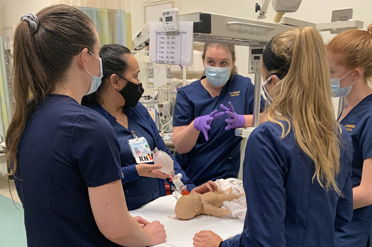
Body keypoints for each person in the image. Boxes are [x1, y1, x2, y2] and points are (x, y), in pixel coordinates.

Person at [6, 5, 166, 246]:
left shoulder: (24, 117)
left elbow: (66, 205)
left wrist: (128, 222)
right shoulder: (87, 126)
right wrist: (147, 235)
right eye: (98, 53)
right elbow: (116, 228)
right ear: (84, 58)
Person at [192, 27, 354, 247]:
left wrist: (222, 245)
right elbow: (342, 218)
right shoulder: (339, 135)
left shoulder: (267, 139)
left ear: (274, 83)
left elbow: (264, 240)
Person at [82, 44, 218, 210]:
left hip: (156, 207)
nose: (139, 83)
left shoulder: (137, 110)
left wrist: (188, 189)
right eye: (136, 76)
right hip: (121, 213)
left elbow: (165, 155)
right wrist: (135, 171)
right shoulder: (92, 122)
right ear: (115, 81)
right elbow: (96, 178)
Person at [326, 19, 372, 247]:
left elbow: (370, 192)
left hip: (357, 233)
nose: (325, 77)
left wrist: (317, 201)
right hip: (338, 226)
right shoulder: (347, 109)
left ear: (355, 74)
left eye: (330, 71)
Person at [172, 43, 266, 186]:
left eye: (223, 63)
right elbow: (180, 147)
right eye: (211, 62)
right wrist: (194, 126)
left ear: (233, 62)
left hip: (225, 178)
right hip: (191, 178)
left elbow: (270, 118)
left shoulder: (243, 86)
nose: (217, 68)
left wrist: (242, 120)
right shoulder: (187, 94)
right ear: (203, 61)